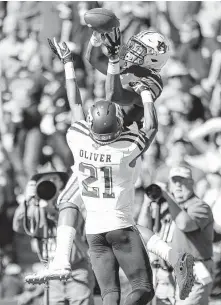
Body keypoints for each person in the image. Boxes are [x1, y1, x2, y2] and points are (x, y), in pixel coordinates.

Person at [25, 39, 194, 303]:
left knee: (67, 201)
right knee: (130, 237)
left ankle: (61, 259)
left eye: (141, 50)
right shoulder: (127, 141)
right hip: (122, 161)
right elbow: (149, 127)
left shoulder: (78, 135)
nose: (134, 50)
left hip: (96, 215)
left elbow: (86, 100)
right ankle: (172, 256)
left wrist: (70, 62)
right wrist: (104, 48)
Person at [14, 172, 95, 305]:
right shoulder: (36, 208)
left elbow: (73, 228)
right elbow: (18, 227)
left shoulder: (72, 204)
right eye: (45, 180)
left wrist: (53, 213)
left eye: (54, 179)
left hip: (76, 269)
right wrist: (26, 200)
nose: (49, 182)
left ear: (62, 183)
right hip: (51, 272)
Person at [156, 164, 214, 305]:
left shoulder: (200, 206)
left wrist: (167, 196)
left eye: (182, 181)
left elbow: (185, 224)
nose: (178, 185)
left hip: (192, 271)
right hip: (166, 273)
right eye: (174, 181)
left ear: (191, 183)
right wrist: (148, 202)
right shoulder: (165, 207)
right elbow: (145, 227)